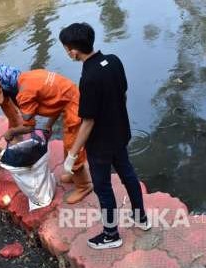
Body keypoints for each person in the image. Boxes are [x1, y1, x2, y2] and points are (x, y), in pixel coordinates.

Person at [59, 22, 150, 250]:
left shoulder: (89, 78)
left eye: (66, 49)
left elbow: (88, 122)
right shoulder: (114, 60)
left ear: (73, 50)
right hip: (121, 132)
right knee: (128, 174)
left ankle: (111, 234)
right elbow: (123, 94)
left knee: (103, 187)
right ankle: (140, 217)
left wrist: (72, 155)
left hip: (100, 144)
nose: (67, 53)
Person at [0, 65, 93, 204]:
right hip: (71, 97)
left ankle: (84, 186)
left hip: (75, 108)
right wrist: (49, 124)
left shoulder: (23, 94)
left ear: (7, 86)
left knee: (73, 150)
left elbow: (29, 126)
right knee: (68, 144)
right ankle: (74, 175)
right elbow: (55, 100)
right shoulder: (30, 75)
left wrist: (11, 132)